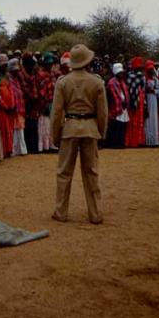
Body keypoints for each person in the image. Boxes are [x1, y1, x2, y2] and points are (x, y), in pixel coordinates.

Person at [50, 44, 108, 224]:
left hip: (69, 129)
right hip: (90, 129)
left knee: (64, 173)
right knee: (91, 172)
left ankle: (61, 212)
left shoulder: (63, 82)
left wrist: (55, 135)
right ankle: (95, 213)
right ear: (88, 60)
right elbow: (103, 112)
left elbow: (57, 112)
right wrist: (101, 132)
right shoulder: (97, 82)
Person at [0, 53, 16, 158]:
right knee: (3, 129)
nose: (6, 67)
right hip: (2, 109)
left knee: (10, 129)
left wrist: (13, 104)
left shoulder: (7, 76)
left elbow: (11, 90)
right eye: (4, 65)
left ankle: (9, 149)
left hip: (10, 108)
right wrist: (5, 106)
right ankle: (3, 150)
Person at [105, 62, 129, 148]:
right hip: (116, 106)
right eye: (120, 73)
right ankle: (114, 144)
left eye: (122, 72)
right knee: (116, 126)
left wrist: (125, 102)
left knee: (123, 126)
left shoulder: (122, 81)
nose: (121, 74)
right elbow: (113, 96)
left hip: (123, 107)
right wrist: (121, 102)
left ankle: (120, 143)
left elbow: (125, 93)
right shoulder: (111, 83)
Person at [8, 58, 28, 156]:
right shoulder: (9, 79)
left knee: (20, 129)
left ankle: (21, 149)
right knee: (16, 130)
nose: (17, 72)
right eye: (15, 70)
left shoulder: (17, 79)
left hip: (19, 107)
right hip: (14, 107)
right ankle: (16, 149)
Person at [21, 52, 40, 154]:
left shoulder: (32, 73)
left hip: (33, 103)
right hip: (26, 103)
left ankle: (33, 147)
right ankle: (29, 147)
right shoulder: (21, 74)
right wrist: (32, 99)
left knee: (33, 125)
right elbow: (24, 89)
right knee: (28, 126)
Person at [37, 52, 56, 152]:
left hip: (52, 101)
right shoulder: (41, 75)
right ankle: (44, 146)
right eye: (48, 63)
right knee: (43, 125)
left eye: (51, 64)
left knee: (50, 125)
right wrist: (43, 105)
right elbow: (41, 91)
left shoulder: (52, 74)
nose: (50, 65)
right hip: (44, 103)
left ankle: (51, 144)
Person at [125, 56, 146, 147]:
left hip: (130, 99)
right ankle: (137, 141)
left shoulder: (128, 76)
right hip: (138, 99)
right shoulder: (141, 76)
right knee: (137, 120)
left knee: (131, 121)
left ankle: (129, 141)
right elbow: (142, 89)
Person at [143, 59, 159, 147]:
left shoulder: (155, 79)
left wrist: (153, 90)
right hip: (146, 100)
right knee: (147, 119)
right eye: (149, 69)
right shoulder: (144, 78)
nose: (151, 70)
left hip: (154, 101)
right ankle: (147, 140)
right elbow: (142, 90)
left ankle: (153, 141)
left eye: (152, 69)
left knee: (153, 119)